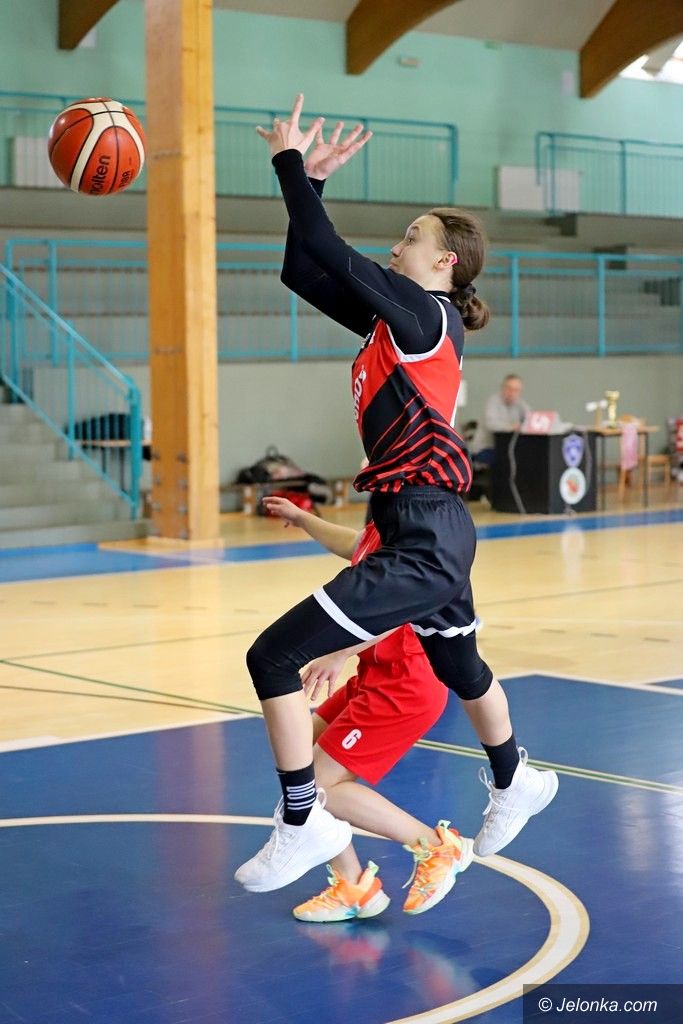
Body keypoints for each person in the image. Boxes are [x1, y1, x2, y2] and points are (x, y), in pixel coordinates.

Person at [235, 95, 557, 894]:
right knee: (460, 663)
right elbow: (300, 267)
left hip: (421, 528)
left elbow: (323, 243)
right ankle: (515, 776)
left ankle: (303, 819)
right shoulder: (396, 324)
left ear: (444, 261)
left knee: (272, 657)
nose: (396, 244)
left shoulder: (423, 312)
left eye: (411, 236)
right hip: (422, 521)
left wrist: (289, 163)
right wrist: (309, 183)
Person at [261, 494, 472, 921]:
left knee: (320, 786)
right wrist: (303, 518)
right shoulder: (387, 525)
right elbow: (354, 543)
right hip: (376, 676)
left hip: (405, 685)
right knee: (298, 768)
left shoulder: (419, 536)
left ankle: (436, 847)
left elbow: (401, 608)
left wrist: (339, 653)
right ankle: (354, 886)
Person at [470, 374, 530, 464]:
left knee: (526, 456)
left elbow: (531, 419)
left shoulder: (520, 404)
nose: (512, 393)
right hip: (486, 448)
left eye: (516, 390)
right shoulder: (493, 402)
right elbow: (491, 424)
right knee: (507, 459)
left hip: (508, 448)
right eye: (509, 388)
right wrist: (512, 427)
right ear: (503, 388)